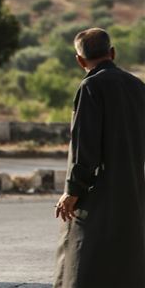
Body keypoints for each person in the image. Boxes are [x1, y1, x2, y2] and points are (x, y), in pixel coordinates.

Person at [53, 28, 145, 288]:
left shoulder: (91, 86)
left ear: (80, 61)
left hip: (98, 193)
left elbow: (86, 145)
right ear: (112, 53)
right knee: (127, 262)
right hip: (133, 193)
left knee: (84, 261)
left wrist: (72, 191)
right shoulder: (138, 86)